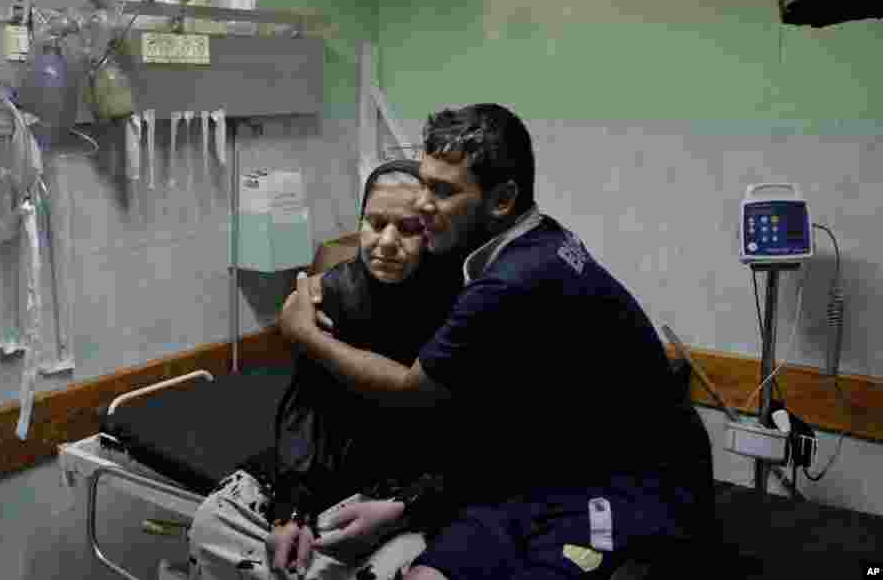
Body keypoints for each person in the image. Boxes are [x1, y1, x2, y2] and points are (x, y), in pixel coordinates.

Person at [279, 104, 715, 580]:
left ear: (502, 199)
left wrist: (301, 332)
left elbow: (409, 388)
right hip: (542, 471)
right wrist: (403, 507)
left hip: (631, 484)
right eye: (423, 182)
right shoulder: (539, 237)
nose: (421, 204)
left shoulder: (512, 281)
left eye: (442, 191)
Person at [188, 160, 469, 580]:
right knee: (214, 522)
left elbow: (467, 439)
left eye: (408, 229)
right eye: (374, 224)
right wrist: (292, 508)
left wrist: (407, 503)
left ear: (432, 234)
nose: (387, 242)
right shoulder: (332, 293)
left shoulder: (462, 306)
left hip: (412, 482)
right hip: (330, 465)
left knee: (399, 570)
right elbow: (306, 408)